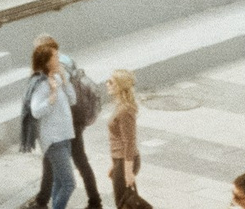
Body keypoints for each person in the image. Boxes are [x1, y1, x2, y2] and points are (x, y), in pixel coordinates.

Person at [16, 35, 102, 209]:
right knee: (63, 169)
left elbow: (69, 99)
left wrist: (58, 88)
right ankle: (91, 200)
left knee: (67, 174)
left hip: (66, 127)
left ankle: (45, 201)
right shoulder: (61, 66)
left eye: (38, 49)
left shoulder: (57, 70)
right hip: (63, 129)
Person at [23, 42, 76, 209]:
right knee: (69, 184)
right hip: (53, 139)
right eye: (55, 57)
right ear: (46, 62)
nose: (59, 58)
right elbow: (36, 111)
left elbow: (73, 100)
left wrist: (65, 81)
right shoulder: (40, 84)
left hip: (65, 135)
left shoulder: (58, 78)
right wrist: (52, 95)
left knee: (59, 182)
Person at [104, 67, 149, 209]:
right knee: (125, 202)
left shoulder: (125, 111)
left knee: (122, 203)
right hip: (120, 161)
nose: (107, 84)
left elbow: (129, 142)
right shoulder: (120, 106)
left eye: (111, 82)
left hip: (125, 161)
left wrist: (127, 172)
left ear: (120, 86)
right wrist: (114, 164)